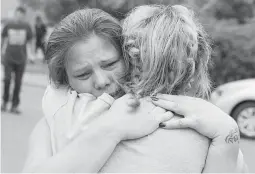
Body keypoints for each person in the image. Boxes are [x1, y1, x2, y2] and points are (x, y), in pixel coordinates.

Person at [23, 6, 247, 173]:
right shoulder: (58, 115)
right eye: (83, 74)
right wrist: (112, 128)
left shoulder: (199, 121)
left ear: (129, 56)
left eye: (110, 64)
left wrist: (226, 130)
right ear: (65, 81)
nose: (101, 81)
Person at [1, 6, 33, 114]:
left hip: (21, 58)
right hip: (9, 57)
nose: (20, 16)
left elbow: (31, 41)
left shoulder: (26, 26)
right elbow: (3, 39)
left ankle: (14, 105)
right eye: (18, 14)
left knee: (18, 83)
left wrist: (31, 55)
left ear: (24, 16)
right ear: (16, 14)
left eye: (22, 14)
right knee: (7, 79)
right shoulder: (8, 25)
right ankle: (4, 102)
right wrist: (1, 52)